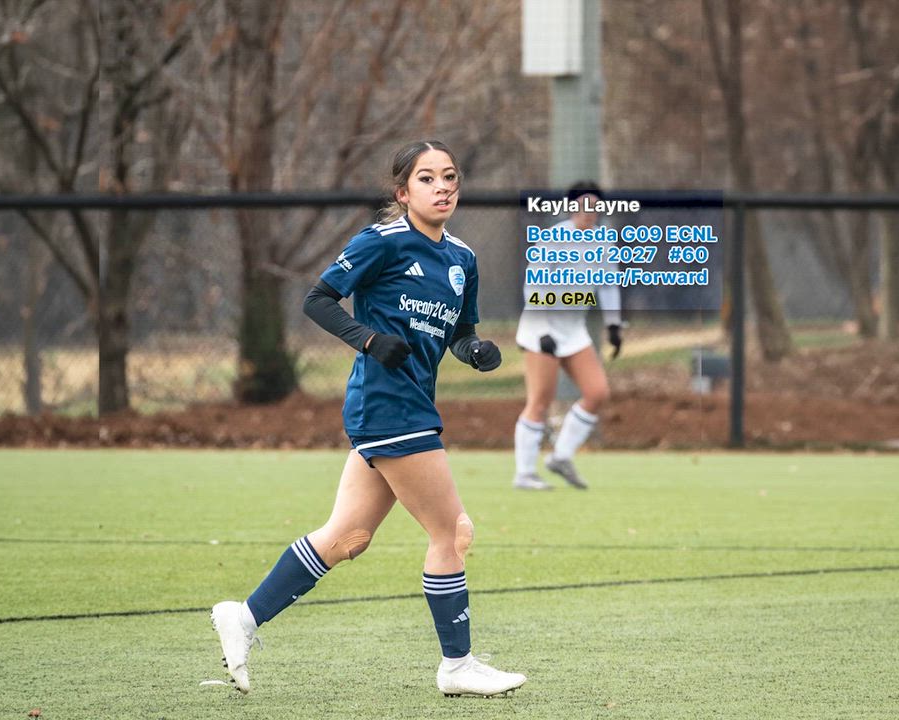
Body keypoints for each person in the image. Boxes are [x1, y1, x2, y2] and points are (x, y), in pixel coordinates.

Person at [210, 140, 527, 698]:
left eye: (450, 176)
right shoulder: (381, 242)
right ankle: (457, 666)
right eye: (427, 178)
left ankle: (244, 616)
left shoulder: (463, 259)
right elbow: (318, 300)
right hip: (386, 404)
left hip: (408, 405)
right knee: (452, 531)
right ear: (403, 193)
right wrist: (369, 340)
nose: (442, 187)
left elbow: (459, 333)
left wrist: (474, 350)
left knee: (347, 537)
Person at [513, 181, 623, 491]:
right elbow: (534, 285)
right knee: (540, 401)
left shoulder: (604, 242)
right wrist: (543, 331)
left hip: (573, 331)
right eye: (584, 205)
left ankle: (561, 457)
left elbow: (608, 286)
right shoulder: (553, 239)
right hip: (541, 330)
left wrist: (614, 326)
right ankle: (524, 473)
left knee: (597, 392)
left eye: (595, 206)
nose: (590, 212)